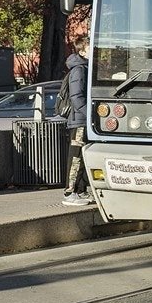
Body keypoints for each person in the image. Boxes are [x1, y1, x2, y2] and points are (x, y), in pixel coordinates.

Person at [58, 40, 92, 207]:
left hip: (84, 120)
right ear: (82, 53)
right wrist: (90, 115)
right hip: (79, 120)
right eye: (89, 48)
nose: (93, 50)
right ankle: (70, 192)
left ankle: (81, 190)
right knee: (76, 156)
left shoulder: (85, 68)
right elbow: (76, 97)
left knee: (83, 155)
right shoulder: (79, 70)